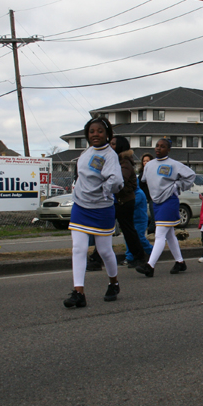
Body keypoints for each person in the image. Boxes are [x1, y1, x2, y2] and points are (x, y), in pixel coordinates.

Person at [63, 117, 124, 308]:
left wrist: (104, 190)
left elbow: (116, 181)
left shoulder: (110, 155)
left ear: (107, 134)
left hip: (101, 208)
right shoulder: (86, 152)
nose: (95, 134)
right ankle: (79, 293)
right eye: (91, 131)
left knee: (104, 251)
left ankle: (114, 283)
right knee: (78, 249)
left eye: (99, 131)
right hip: (80, 207)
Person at [135, 138, 195, 277]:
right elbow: (144, 179)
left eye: (162, 146)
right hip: (156, 202)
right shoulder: (149, 165)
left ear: (168, 150)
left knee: (160, 234)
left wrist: (178, 185)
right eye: (157, 145)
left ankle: (150, 266)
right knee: (169, 235)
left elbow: (191, 175)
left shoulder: (174, 164)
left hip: (169, 201)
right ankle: (180, 262)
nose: (158, 148)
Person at [110, 136, 147, 267]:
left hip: (124, 201)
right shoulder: (116, 160)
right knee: (107, 229)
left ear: (120, 146)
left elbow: (120, 180)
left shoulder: (124, 162)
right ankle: (96, 258)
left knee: (128, 231)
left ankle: (139, 257)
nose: (111, 146)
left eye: (113, 144)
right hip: (118, 200)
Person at [122, 184, 154, 268]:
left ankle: (152, 252)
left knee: (140, 238)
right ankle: (129, 257)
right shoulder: (131, 193)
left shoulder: (139, 193)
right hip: (132, 219)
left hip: (140, 220)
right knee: (130, 238)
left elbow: (132, 204)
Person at [138, 153, 155, 235]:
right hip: (144, 199)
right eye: (144, 161)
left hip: (153, 198)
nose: (145, 162)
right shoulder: (141, 174)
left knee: (154, 217)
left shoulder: (154, 173)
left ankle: (151, 232)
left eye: (147, 161)